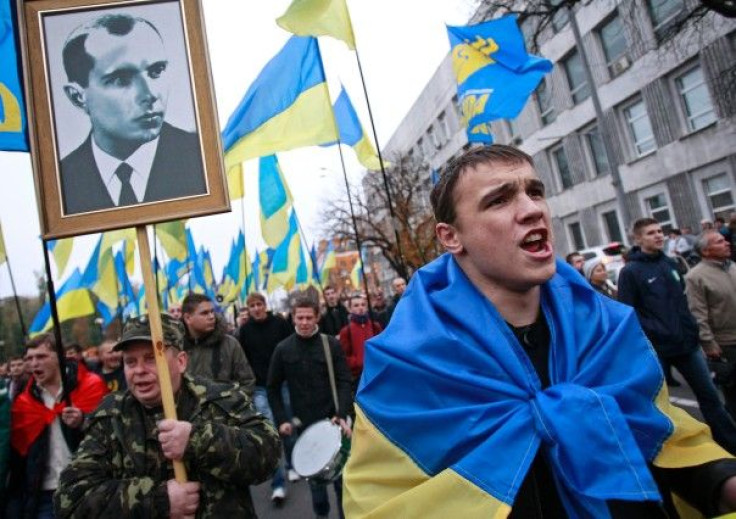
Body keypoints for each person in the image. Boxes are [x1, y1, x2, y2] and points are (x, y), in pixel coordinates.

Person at [344, 145, 736, 518]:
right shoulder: (410, 363)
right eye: (499, 200)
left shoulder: (606, 327)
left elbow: (663, 436)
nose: (531, 210)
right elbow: (383, 501)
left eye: (535, 192)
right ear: (451, 237)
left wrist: (720, 483)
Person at [53, 313, 281, 518]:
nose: (139, 370)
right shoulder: (111, 416)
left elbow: (269, 456)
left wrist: (198, 440)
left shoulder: (219, 399)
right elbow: (70, 499)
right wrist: (158, 500)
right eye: (130, 361)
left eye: (151, 358)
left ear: (181, 361)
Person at [59, 13, 206, 215]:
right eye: (121, 79)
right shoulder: (61, 184)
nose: (150, 94)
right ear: (78, 97)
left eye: (156, 71)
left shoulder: (202, 159)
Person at [618, 217, 736, 453]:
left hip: (687, 345)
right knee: (659, 405)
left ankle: (729, 445)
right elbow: (628, 312)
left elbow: (685, 301)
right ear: (638, 239)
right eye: (651, 233)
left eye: (660, 231)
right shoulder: (631, 272)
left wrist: (692, 331)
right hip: (657, 349)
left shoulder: (670, 263)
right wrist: (655, 332)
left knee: (710, 398)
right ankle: (671, 455)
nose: (658, 235)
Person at [268, 297, 353, 519]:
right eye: (300, 318)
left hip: (334, 422)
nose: (304, 322)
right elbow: (272, 388)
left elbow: (345, 380)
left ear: (317, 317)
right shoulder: (283, 349)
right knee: (317, 488)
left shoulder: (330, 345)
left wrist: (342, 413)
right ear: (293, 317)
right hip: (305, 427)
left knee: (342, 482)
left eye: (309, 317)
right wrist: (281, 419)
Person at [7, 334, 107, 518]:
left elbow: (110, 432)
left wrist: (83, 421)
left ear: (59, 357)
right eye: (29, 358)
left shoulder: (90, 386)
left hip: (90, 488)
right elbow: (19, 457)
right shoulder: (24, 402)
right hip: (46, 495)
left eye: (41, 357)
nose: (34, 363)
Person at [238, 292, 294, 502]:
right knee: (269, 434)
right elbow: (243, 359)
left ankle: (292, 463)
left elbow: (290, 347)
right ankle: (277, 483)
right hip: (260, 388)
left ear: (265, 305)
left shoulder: (279, 323)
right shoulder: (244, 331)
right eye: (252, 305)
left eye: (259, 304)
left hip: (283, 384)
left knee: (287, 426)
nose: (256, 309)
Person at [685, 230, 736, 417]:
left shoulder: (732, 267)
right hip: (725, 344)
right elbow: (698, 313)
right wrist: (708, 342)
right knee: (732, 392)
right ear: (706, 251)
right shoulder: (695, 277)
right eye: (720, 242)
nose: (727, 243)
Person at [181, 293, 255, 395]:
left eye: (212, 312)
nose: (211, 317)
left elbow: (247, 382)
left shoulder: (230, 344)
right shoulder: (176, 348)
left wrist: (231, 405)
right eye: (204, 313)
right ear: (188, 318)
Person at [339, 294, 382, 392]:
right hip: (359, 376)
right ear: (350, 309)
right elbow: (344, 356)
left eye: (363, 304)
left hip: (377, 372)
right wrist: (357, 362)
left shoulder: (375, 326)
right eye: (356, 305)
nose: (360, 308)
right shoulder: (346, 331)